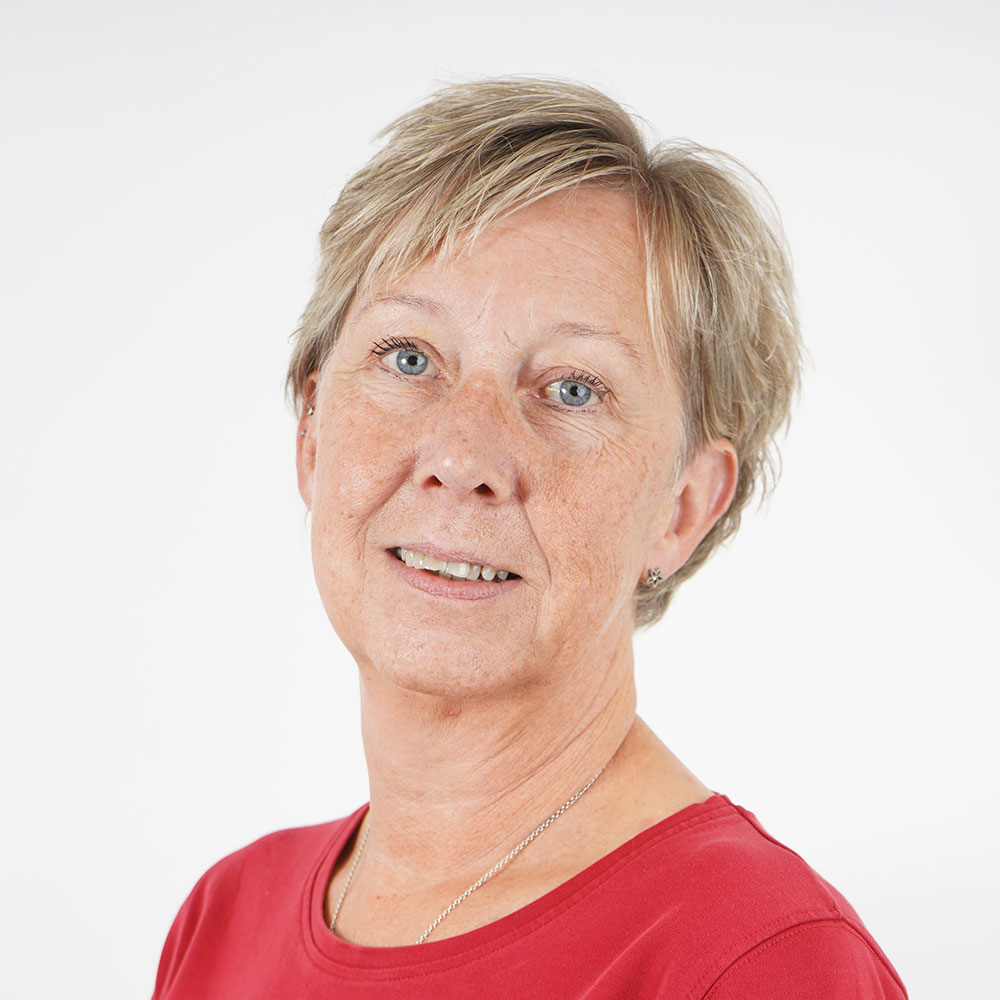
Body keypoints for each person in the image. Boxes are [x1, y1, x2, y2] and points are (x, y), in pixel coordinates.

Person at [152, 77, 907, 998]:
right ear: (312, 432)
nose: (463, 456)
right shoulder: (227, 918)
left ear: (683, 507)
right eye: (408, 357)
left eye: (572, 390)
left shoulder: (758, 961)